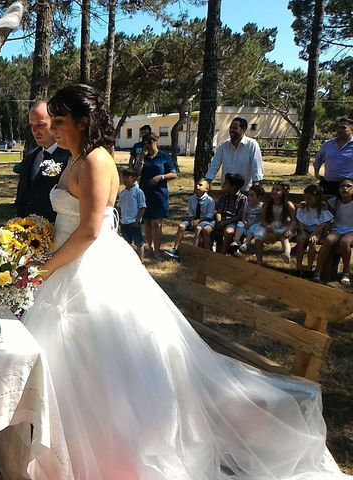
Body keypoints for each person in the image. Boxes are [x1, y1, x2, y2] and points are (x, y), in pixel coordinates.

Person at [24, 84, 349, 480]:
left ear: (83, 121)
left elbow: (91, 229)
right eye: (51, 122)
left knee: (98, 363)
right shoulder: (75, 159)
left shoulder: (94, 161)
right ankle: (65, 447)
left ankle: (109, 452)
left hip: (88, 268)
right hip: (67, 263)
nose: (54, 129)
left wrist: (45, 268)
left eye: (60, 121)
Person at [15, 101, 71, 222]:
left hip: (58, 230)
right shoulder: (31, 157)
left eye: (40, 125)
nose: (34, 130)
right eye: (31, 126)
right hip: (29, 233)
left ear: (54, 123)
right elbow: (22, 197)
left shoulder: (69, 157)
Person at [137, 132, 177, 260]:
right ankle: (150, 248)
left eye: (150, 142)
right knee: (148, 221)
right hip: (145, 192)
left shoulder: (164, 157)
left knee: (157, 223)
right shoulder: (144, 157)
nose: (147, 145)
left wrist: (161, 177)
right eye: (145, 142)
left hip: (159, 193)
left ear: (156, 141)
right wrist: (141, 158)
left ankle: (157, 251)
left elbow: (173, 173)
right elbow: (137, 172)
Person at [204, 117, 264, 192]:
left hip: (245, 191)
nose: (231, 130)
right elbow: (214, 165)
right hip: (226, 191)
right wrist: (207, 181)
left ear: (244, 129)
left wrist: (255, 189)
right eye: (231, 128)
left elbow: (257, 168)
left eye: (235, 128)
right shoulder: (223, 145)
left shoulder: (252, 145)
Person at [313, 178, 353, 285]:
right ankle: (318, 271)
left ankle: (346, 272)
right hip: (337, 228)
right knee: (328, 240)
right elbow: (320, 203)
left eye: (349, 186)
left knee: (345, 242)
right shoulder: (334, 201)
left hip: (351, 229)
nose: (345, 188)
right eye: (342, 186)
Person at [164, 178, 215, 258]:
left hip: (205, 220)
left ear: (206, 189)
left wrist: (199, 220)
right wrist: (192, 220)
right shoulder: (192, 199)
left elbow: (210, 215)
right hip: (193, 219)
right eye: (197, 184)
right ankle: (176, 249)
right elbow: (190, 212)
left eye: (200, 185)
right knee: (181, 227)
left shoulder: (210, 200)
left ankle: (194, 251)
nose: (197, 186)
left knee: (198, 229)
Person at [202, 173, 246, 254]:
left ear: (233, 187)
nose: (223, 184)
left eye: (226, 183)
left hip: (232, 222)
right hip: (220, 220)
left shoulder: (242, 199)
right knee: (206, 229)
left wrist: (225, 222)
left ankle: (222, 255)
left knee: (228, 232)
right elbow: (219, 211)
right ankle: (208, 252)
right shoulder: (224, 196)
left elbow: (238, 216)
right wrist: (219, 221)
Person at [254, 182, 296, 266]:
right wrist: (267, 226)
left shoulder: (288, 204)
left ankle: (287, 254)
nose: (274, 191)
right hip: (270, 225)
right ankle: (259, 261)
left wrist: (289, 230)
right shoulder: (267, 204)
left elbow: (294, 220)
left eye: (277, 190)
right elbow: (263, 219)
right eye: (273, 189)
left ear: (283, 192)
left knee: (284, 238)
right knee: (258, 237)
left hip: (283, 226)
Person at [295, 185, 333, 276]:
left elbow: (324, 222)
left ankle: (309, 267)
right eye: (305, 197)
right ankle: (299, 267)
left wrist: (315, 233)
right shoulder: (304, 206)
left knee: (312, 242)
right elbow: (299, 219)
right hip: (304, 229)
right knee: (300, 240)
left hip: (316, 230)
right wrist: (301, 232)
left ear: (317, 198)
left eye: (309, 198)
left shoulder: (322, 207)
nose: (307, 200)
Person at [313, 118, 353, 195]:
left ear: (352, 130)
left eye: (343, 128)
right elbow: (319, 158)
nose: (340, 130)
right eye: (338, 128)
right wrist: (316, 172)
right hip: (328, 184)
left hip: (348, 186)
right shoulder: (328, 144)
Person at [116, 167, 146, 260]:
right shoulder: (122, 193)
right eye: (123, 177)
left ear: (133, 179)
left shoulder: (138, 192)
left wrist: (137, 220)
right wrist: (119, 220)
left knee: (139, 242)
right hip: (124, 222)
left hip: (134, 221)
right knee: (126, 242)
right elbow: (119, 207)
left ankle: (141, 261)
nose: (124, 179)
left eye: (127, 177)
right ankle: (130, 260)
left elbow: (142, 207)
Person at [232, 184, 265, 253]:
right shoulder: (247, 204)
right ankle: (236, 241)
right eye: (248, 195)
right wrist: (245, 222)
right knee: (240, 224)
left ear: (259, 197)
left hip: (256, 225)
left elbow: (262, 219)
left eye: (252, 195)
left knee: (254, 227)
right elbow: (244, 216)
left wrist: (253, 225)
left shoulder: (261, 207)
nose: (249, 197)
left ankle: (246, 243)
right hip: (247, 223)